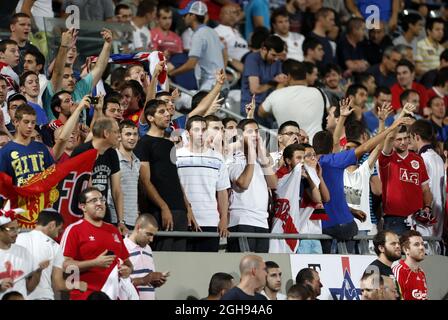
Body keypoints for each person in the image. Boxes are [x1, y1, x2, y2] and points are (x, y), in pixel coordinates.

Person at [314, 99, 410, 253]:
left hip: (336, 225)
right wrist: (390, 126)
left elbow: (375, 148)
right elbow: (362, 146)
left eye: (351, 149)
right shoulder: (335, 162)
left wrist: (343, 118)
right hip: (342, 224)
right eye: (347, 149)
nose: (347, 151)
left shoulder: (316, 163)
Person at [134, 100, 191, 251]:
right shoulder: (143, 144)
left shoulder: (169, 144)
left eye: (167, 111)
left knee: (180, 260)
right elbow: (145, 181)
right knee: (163, 257)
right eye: (162, 111)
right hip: (159, 211)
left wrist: (187, 208)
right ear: (150, 118)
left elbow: (175, 177)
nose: (167, 114)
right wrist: (164, 207)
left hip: (179, 210)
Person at [60, 187, 133, 300]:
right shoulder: (74, 230)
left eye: (102, 200)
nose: (100, 203)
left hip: (113, 296)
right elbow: (65, 266)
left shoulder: (113, 230)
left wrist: (128, 270)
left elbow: (128, 263)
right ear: (83, 206)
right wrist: (94, 263)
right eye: (94, 200)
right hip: (84, 296)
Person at [176, 116, 229, 252]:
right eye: (196, 129)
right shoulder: (177, 156)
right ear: (188, 133)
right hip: (184, 221)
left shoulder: (218, 157)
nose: (201, 133)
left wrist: (223, 219)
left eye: (204, 129)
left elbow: (222, 191)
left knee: (208, 268)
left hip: (211, 221)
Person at [227, 119, 277, 253]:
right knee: (244, 266)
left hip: (262, 221)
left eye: (256, 131)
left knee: (261, 269)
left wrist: (262, 157)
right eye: (250, 132)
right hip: (241, 221)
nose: (255, 135)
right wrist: (251, 157)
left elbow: (273, 184)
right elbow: (243, 183)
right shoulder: (232, 158)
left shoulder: (262, 159)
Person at [71, 117, 126, 234]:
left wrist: (121, 221)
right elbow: (83, 188)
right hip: (82, 213)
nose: (119, 136)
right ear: (106, 133)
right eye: (116, 131)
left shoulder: (112, 153)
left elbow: (117, 190)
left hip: (102, 210)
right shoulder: (82, 151)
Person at [15, 210, 86, 300]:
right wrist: (77, 285)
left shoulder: (16, 239)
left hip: (15, 295)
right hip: (42, 297)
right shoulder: (54, 246)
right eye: (59, 230)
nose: (57, 235)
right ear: (52, 225)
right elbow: (58, 285)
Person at [379, 117, 432, 236]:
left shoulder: (418, 160)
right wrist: (398, 119)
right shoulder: (386, 158)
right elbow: (389, 138)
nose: (403, 142)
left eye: (406, 138)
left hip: (416, 220)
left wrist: (428, 207)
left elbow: (426, 189)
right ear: (393, 141)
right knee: (396, 254)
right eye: (399, 139)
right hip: (394, 219)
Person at [258, 60, 325, 141]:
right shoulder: (318, 92)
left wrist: (281, 85)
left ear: (288, 76)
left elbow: (261, 112)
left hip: (290, 149)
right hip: (317, 146)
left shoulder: (276, 95)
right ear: (305, 75)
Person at [169, 1, 225, 92]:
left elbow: (191, 64)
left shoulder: (198, 35)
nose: (183, 18)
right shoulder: (212, 31)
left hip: (210, 86)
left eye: (185, 15)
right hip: (221, 84)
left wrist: (171, 74)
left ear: (193, 16)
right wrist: (223, 72)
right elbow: (224, 51)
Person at [0, 202, 47, 299]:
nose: (16, 233)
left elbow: (30, 287)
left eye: (17, 229)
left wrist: (38, 272)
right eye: (11, 229)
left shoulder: (23, 252)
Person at [409, 120, 444, 246]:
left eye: (410, 138)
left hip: (424, 220)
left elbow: (422, 189)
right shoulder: (438, 158)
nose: (409, 142)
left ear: (416, 136)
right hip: (438, 219)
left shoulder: (421, 159)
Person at [240, 35, 286, 122]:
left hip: (268, 108)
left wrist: (283, 80)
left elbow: (279, 85)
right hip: (251, 108)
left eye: (278, 56)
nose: (276, 59)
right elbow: (254, 89)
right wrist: (273, 82)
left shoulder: (276, 61)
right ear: (264, 49)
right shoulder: (252, 59)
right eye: (273, 55)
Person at [125, 214, 169, 300]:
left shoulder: (148, 249)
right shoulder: (123, 247)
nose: (151, 239)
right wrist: (145, 280)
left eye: (153, 235)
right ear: (138, 228)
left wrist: (155, 283)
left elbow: (148, 281)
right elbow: (120, 282)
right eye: (149, 234)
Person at [107, 120, 140, 230]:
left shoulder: (137, 162)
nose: (132, 138)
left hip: (133, 220)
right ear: (119, 137)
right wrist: (119, 220)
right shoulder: (112, 158)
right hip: (115, 220)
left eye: (135, 134)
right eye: (128, 134)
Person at [365, 230, 402, 300]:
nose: (398, 246)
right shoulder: (373, 270)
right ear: (381, 248)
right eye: (393, 244)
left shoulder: (389, 269)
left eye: (398, 243)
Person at [392, 230, 428, 300]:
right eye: (416, 244)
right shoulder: (399, 271)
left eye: (422, 244)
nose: (422, 247)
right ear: (406, 250)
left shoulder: (421, 272)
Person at [214, 4, 248, 73]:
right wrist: (230, 60)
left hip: (247, 63)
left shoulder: (236, 31)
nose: (235, 15)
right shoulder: (216, 32)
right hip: (231, 68)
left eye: (236, 13)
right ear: (222, 15)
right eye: (233, 12)